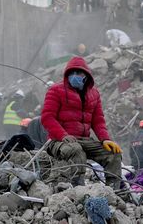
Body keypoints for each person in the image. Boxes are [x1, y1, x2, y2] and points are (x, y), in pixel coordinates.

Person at [41, 56, 122, 188]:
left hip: (84, 140)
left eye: (78, 73)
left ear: (86, 75)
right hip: (58, 141)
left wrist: (105, 139)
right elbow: (47, 118)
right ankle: (78, 189)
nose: (75, 76)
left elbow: (98, 121)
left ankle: (113, 190)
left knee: (113, 153)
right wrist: (63, 135)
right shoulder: (55, 90)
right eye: (72, 73)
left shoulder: (94, 94)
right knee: (76, 150)